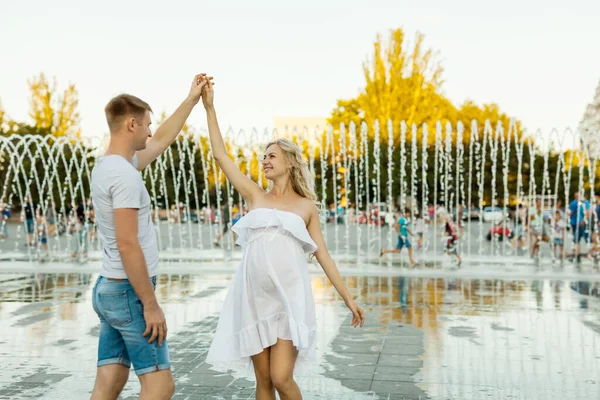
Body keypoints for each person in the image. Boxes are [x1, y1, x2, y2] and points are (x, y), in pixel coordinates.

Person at [201, 77, 364, 400]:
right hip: (253, 299)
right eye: (264, 156)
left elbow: (323, 255)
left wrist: (347, 297)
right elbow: (220, 155)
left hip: (288, 301)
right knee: (263, 382)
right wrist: (209, 107)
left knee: (281, 378)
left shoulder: (306, 207)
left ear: (289, 162)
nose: (265, 161)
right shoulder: (255, 195)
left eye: (272, 156)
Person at [89, 74, 210, 400]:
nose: (150, 130)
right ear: (131, 124)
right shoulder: (124, 176)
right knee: (159, 385)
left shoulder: (107, 167)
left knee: (108, 384)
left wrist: (191, 99)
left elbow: (161, 141)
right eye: (146, 124)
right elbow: (128, 244)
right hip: (129, 293)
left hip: (108, 289)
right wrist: (151, 304)